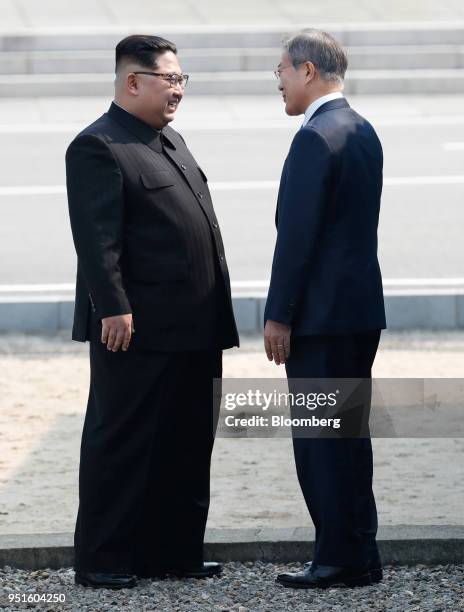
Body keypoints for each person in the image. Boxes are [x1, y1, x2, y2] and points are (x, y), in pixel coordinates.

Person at [66, 34, 239, 589]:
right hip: (135, 330)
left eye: (182, 80)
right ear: (133, 81)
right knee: (121, 443)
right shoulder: (99, 145)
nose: (178, 90)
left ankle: (174, 551)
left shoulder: (170, 140)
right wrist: (112, 307)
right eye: (170, 79)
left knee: (188, 444)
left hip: (193, 326)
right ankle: (103, 559)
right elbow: (97, 240)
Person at [264, 29, 386, 589]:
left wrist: (278, 314)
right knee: (349, 437)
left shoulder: (314, 137)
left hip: (321, 317)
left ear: (307, 71)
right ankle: (359, 552)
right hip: (358, 312)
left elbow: (297, 238)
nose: (280, 82)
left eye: (282, 71)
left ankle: (338, 557)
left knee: (321, 441)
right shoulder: (362, 130)